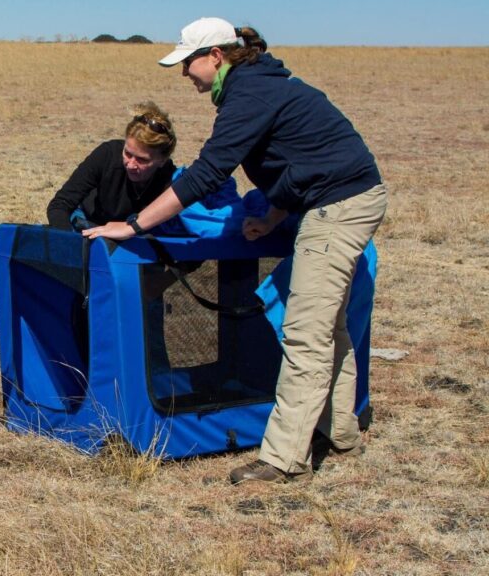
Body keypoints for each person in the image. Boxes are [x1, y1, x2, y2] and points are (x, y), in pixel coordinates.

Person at [82, 17, 388, 484]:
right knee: (332, 328)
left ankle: (285, 459)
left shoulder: (249, 93)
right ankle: (341, 433)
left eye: (188, 61)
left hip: (338, 206)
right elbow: (303, 162)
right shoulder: (258, 85)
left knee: (305, 333)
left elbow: (207, 174)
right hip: (344, 196)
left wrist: (134, 224)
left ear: (216, 56)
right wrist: (273, 217)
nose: (184, 72)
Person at [46, 102, 179, 232]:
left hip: (136, 235)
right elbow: (60, 204)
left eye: (142, 159)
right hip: (90, 223)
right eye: (127, 153)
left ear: (162, 161)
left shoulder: (171, 180)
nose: (131, 165)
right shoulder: (107, 155)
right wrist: (68, 240)